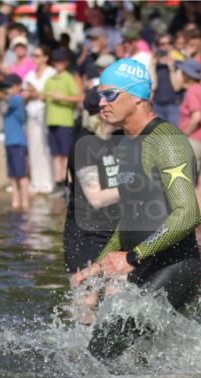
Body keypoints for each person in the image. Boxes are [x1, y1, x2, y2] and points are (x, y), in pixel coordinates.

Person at [71, 59, 201, 361]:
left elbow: (188, 214)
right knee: (139, 360)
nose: (101, 103)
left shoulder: (167, 140)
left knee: (100, 353)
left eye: (110, 95)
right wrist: (99, 265)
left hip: (174, 268)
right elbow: (129, 220)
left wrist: (132, 257)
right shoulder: (127, 142)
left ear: (138, 98)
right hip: (143, 266)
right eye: (100, 95)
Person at [64, 87, 121, 282]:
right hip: (86, 234)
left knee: (118, 291)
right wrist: (139, 187)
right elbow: (96, 198)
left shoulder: (122, 137)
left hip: (117, 231)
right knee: (88, 294)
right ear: (103, 113)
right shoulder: (84, 143)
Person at [177, 59, 201, 220]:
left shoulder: (192, 91)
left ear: (186, 75)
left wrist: (183, 134)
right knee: (200, 181)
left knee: (187, 181)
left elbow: (196, 116)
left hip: (194, 139)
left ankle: (192, 218)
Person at [43, 48, 83, 192]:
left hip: (65, 121)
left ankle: (68, 183)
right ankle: (58, 181)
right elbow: (43, 96)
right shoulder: (49, 79)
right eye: (56, 61)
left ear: (66, 63)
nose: (58, 64)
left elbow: (79, 97)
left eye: (61, 61)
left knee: (66, 154)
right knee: (55, 154)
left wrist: (63, 97)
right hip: (51, 121)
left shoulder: (68, 78)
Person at [24, 46, 57, 194]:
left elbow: (52, 94)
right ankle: (36, 182)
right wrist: (29, 94)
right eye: (34, 55)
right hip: (32, 113)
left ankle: (49, 181)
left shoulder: (52, 73)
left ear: (45, 57)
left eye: (38, 55)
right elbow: (25, 95)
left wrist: (37, 94)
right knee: (34, 147)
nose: (35, 59)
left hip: (47, 112)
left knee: (46, 146)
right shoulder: (30, 75)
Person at [2, 74, 30, 210]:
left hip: (18, 142)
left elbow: (6, 102)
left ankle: (25, 202)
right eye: (6, 87)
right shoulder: (9, 101)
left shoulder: (17, 99)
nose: (7, 89)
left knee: (22, 174)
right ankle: (15, 201)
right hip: (9, 142)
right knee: (13, 175)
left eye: (10, 86)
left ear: (18, 87)